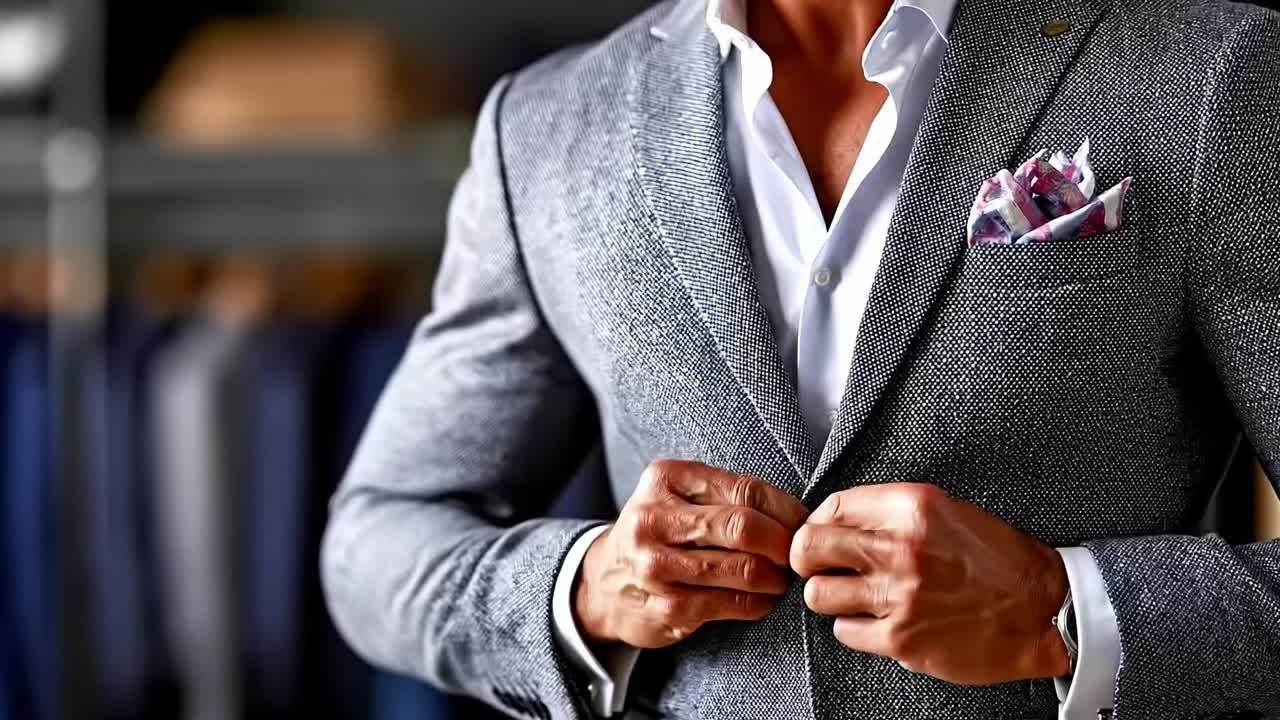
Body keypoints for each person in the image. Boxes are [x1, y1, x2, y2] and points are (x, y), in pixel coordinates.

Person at [319, 0, 1280, 718]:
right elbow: (375, 548)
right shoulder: (546, 130)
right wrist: (586, 583)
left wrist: (1059, 610)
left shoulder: (1207, 73)